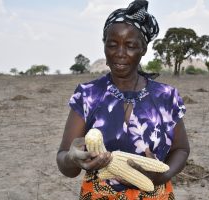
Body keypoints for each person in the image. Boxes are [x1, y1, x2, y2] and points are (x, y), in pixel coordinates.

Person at [56, 0, 190, 199]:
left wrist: (162, 176)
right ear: (104, 46)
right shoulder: (88, 94)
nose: (119, 54)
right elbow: (65, 162)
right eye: (112, 45)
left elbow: (181, 149)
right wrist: (72, 159)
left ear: (143, 49)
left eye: (130, 46)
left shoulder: (166, 96)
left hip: (156, 194)